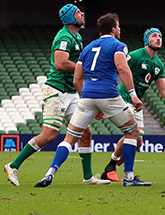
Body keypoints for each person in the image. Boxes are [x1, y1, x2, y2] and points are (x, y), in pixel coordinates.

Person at [35, 13, 151, 187]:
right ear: (113, 29)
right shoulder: (119, 45)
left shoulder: (87, 48)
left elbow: (76, 79)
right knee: (133, 133)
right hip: (109, 95)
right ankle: (128, 177)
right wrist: (133, 95)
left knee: (69, 138)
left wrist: (88, 100)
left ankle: (50, 173)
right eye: (118, 26)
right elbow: (122, 68)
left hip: (87, 95)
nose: (119, 29)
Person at [4, 4, 109, 186]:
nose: (82, 13)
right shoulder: (64, 36)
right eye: (77, 12)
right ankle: (13, 165)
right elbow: (60, 63)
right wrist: (84, 68)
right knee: (50, 134)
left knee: (85, 132)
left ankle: (88, 177)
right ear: (69, 17)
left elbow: (75, 73)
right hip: (57, 90)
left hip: (69, 91)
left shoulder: (76, 36)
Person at [99, 27, 165, 181]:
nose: (158, 38)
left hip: (137, 102)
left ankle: (111, 169)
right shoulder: (136, 56)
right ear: (147, 40)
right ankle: (113, 167)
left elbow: (164, 89)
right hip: (125, 97)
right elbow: (119, 68)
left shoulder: (158, 64)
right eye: (154, 36)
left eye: (160, 36)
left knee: (138, 141)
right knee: (131, 134)